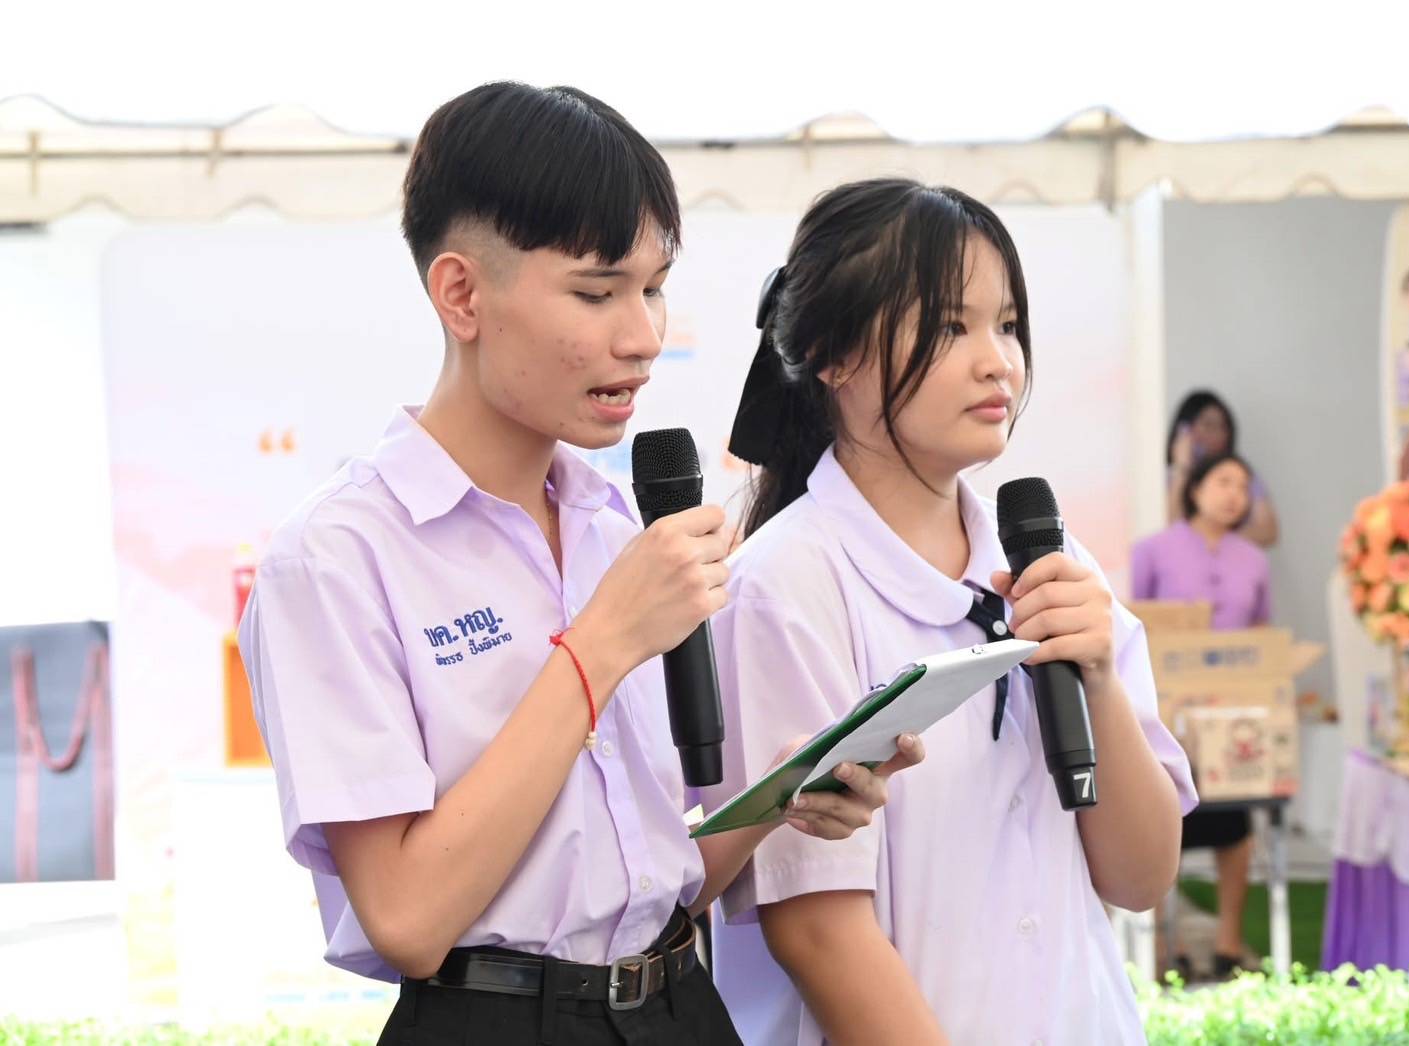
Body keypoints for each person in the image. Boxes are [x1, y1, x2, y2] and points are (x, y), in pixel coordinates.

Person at [237, 83, 923, 1046]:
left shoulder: (615, 524)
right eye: (597, 293)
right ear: (462, 294)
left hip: (679, 1005)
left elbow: (652, 880)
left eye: (654, 287)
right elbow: (407, 918)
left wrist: (781, 792)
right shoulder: (338, 557)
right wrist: (600, 646)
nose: (642, 337)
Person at [703, 178, 1196, 1044]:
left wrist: (1097, 682)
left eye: (1007, 323)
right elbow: (818, 932)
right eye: (947, 328)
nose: (997, 360)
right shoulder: (785, 586)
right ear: (833, 356)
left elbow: (1140, 877)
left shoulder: (1050, 562)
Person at [1132, 451, 1270, 979]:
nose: (1235, 494)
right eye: (1224, 481)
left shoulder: (1254, 560)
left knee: (1235, 825)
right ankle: (1163, 946)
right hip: (1169, 717)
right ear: (1195, 489)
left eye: (1243, 486)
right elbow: (1133, 631)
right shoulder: (1153, 550)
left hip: (1232, 719)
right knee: (1163, 820)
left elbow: (1261, 637)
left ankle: (1228, 942)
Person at [1165, 390, 1279, 548]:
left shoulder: (1242, 474)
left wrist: (1216, 539)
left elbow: (1268, 531)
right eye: (1208, 425)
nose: (1217, 434)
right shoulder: (1166, 476)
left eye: (1223, 427)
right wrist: (1182, 468)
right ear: (1185, 430)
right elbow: (1168, 526)